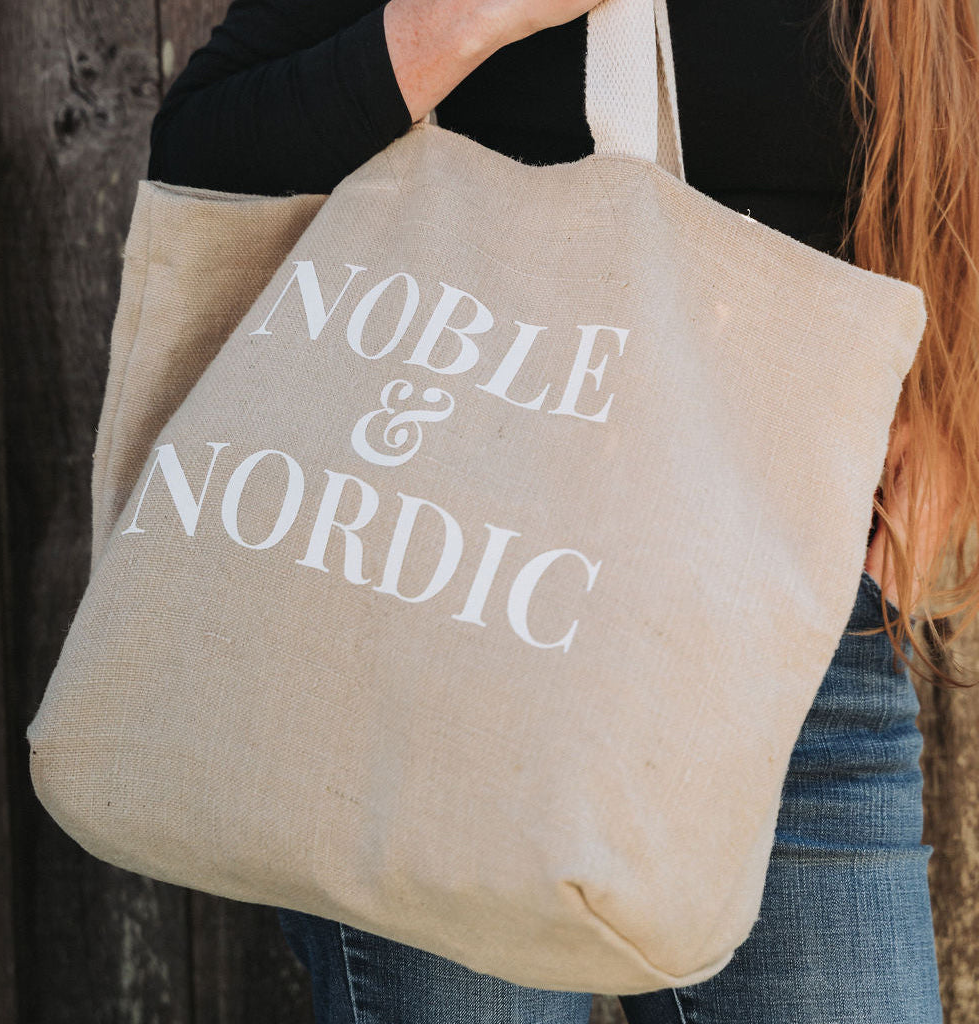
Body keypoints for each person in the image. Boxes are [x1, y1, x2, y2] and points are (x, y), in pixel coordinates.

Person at [147, 1, 979, 1020]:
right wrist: (458, 23)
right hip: (450, 635)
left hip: (796, 652)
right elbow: (204, 151)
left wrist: (946, 433)